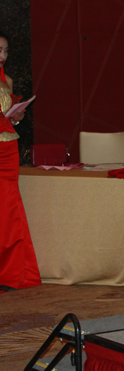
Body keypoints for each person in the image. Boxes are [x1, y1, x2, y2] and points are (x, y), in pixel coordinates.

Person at [0, 31, 42, 291]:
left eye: (5, 51)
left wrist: (17, 116)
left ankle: (10, 272)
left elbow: (8, 117)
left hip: (8, 149)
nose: (3, 55)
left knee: (9, 209)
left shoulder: (9, 81)